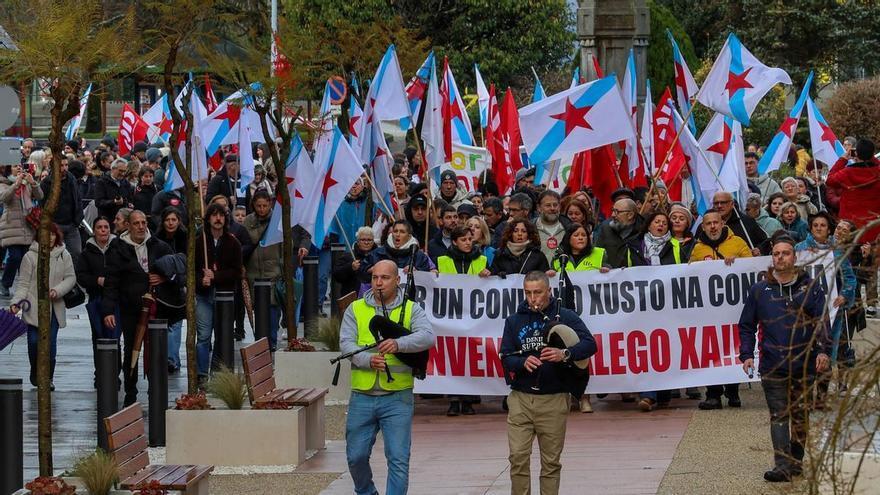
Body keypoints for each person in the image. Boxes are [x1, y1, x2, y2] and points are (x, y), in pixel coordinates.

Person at [739, 235, 831, 482]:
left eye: (785, 253)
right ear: (772, 258)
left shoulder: (810, 287)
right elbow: (746, 325)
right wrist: (746, 354)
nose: (780, 257)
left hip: (804, 363)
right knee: (779, 414)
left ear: (794, 256)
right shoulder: (760, 290)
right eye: (776, 253)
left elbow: (822, 321)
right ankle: (782, 465)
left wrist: (823, 350)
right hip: (773, 363)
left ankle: (795, 461)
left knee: (800, 415)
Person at [339, 259, 435, 495]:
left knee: (399, 460)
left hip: (398, 397)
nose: (378, 283)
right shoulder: (356, 308)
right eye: (374, 278)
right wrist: (367, 360)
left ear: (397, 280)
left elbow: (427, 337)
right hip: (362, 395)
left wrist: (399, 344)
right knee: (356, 456)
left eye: (385, 278)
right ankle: (366, 491)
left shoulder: (411, 309)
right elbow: (346, 345)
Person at [500, 271, 597, 495]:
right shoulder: (514, 321)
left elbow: (590, 344)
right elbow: (505, 356)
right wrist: (522, 362)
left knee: (551, 463)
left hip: (553, 399)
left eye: (538, 292)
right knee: (517, 458)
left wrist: (564, 353)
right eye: (528, 293)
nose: (532, 298)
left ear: (549, 291)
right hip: (521, 399)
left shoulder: (565, 316)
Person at [102, 210, 178, 406]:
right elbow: (111, 281)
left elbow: (176, 269)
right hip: (130, 307)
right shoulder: (117, 249)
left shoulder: (159, 246)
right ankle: (131, 390)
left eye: (144, 222)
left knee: (156, 350)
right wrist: (108, 310)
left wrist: (163, 277)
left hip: (156, 308)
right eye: (136, 223)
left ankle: (156, 389)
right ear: (128, 225)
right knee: (131, 350)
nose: (141, 226)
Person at [689, 209, 752, 410]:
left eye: (716, 222)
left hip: (734, 311)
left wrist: (738, 264)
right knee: (711, 351)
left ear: (723, 223)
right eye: (708, 224)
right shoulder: (697, 248)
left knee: (733, 348)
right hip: (708, 313)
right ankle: (713, 395)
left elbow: (751, 268)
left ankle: (733, 391)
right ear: (703, 226)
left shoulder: (738, 243)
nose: (713, 227)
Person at [795, 212, 856, 406]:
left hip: (831, 311)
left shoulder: (837, 250)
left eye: (823, 225)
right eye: (815, 225)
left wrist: (844, 295)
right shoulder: (799, 249)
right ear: (811, 228)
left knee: (827, 350)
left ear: (828, 229)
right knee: (805, 349)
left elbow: (850, 278)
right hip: (805, 310)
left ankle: (821, 397)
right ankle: (804, 394)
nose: (819, 228)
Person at [548, 222, 608, 413]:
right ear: (568, 238)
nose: (581, 238)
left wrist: (607, 271)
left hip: (591, 314)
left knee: (583, 354)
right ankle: (568, 395)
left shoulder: (599, 254)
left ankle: (584, 397)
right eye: (576, 235)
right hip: (565, 313)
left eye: (584, 234)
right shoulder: (559, 259)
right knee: (564, 352)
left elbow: (611, 276)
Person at [11, 223, 77, 389]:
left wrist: (57, 291)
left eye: (53, 234)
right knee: (34, 342)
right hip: (33, 308)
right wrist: (16, 303)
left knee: (50, 343)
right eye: (46, 234)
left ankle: (48, 377)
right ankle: (36, 371)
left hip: (54, 307)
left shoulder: (64, 255)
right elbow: (23, 284)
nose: (50, 238)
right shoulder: (30, 257)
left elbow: (70, 278)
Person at [243, 190, 311, 350]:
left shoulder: (279, 221)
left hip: (274, 274)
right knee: (259, 314)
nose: (261, 209)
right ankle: (260, 345)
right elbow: (244, 244)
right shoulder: (247, 221)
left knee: (273, 313)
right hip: (254, 275)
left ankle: (271, 345)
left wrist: (284, 271)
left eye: (264, 205)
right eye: (258, 205)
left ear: (270, 204)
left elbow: (286, 248)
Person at [194, 203, 242, 380]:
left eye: (221, 215)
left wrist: (215, 276)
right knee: (204, 336)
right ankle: (201, 374)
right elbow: (193, 271)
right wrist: (202, 280)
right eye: (214, 215)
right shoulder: (200, 242)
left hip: (225, 298)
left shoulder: (233, 242)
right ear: (208, 219)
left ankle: (216, 370)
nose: (218, 218)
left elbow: (236, 271)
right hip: (204, 296)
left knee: (222, 335)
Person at [75, 217, 122, 386]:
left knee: (114, 337)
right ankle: (100, 373)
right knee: (98, 337)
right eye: (100, 227)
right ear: (94, 230)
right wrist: (97, 280)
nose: (103, 230)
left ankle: (114, 373)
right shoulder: (87, 252)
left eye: (106, 227)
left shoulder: (119, 248)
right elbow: (81, 275)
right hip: (96, 299)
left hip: (116, 299)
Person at [0, 162, 43, 297]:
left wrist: (33, 183)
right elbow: (4, 198)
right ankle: (5, 283)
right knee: (14, 257)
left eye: (19, 166)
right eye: (14, 166)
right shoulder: (3, 183)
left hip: (27, 226)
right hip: (11, 226)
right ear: (8, 170)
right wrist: (16, 184)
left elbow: (40, 196)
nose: (18, 168)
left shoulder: (27, 183)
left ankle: (25, 286)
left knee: (26, 259)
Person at [826, 138, 880, 243]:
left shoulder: (847, 173)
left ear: (856, 154)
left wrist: (843, 159)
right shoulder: (878, 172)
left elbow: (829, 180)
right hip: (873, 227)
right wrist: (868, 155)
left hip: (849, 227)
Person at [40, 158, 84, 262]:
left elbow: (77, 198)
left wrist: (78, 218)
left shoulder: (71, 179)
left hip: (72, 224)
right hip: (55, 226)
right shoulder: (46, 183)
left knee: (76, 253)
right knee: (56, 256)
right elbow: (43, 205)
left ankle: (74, 277)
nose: (64, 168)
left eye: (66, 165)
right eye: (61, 165)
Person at [361, 220, 434, 278]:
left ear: (409, 236)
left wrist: (417, 272)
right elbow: (362, 272)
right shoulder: (377, 253)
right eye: (395, 231)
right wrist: (370, 270)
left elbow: (427, 278)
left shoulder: (419, 256)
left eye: (402, 232)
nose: (398, 234)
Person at [710, 191, 767, 255]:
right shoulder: (707, 225)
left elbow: (766, 242)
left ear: (732, 204)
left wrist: (759, 249)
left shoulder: (746, 222)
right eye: (716, 203)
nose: (719, 206)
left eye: (723, 202)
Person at [595, 198, 644, 268]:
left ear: (630, 215)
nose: (612, 215)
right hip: (611, 277)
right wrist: (603, 266)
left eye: (617, 212)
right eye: (613, 211)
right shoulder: (605, 229)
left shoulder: (643, 231)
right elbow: (597, 254)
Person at [333, 227, 378, 298]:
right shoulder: (348, 256)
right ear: (358, 242)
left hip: (375, 297)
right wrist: (350, 267)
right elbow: (336, 275)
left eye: (369, 240)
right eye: (363, 240)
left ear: (373, 241)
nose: (366, 242)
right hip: (353, 299)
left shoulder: (379, 256)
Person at [93, 158, 133, 222]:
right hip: (107, 221)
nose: (122, 174)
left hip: (123, 221)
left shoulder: (126, 183)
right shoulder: (101, 182)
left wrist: (125, 202)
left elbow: (130, 200)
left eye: (124, 171)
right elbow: (98, 202)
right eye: (120, 171)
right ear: (113, 169)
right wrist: (113, 202)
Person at [535, 190, 567, 264]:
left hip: (562, 273)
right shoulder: (530, 229)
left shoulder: (569, 229)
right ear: (539, 208)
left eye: (555, 205)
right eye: (548, 205)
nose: (552, 208)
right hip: (538, 274)